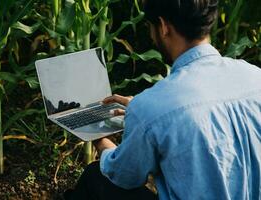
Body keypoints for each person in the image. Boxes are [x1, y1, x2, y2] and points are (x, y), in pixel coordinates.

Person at [64, 0, 261, 199]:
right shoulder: (255, 76)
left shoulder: (152, 107)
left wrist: (99, 137)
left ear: (164, 26)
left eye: (150, 27)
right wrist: (145, 115)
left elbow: (124, 176)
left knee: (95, 177)